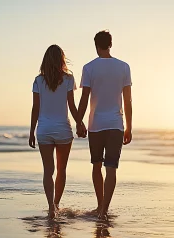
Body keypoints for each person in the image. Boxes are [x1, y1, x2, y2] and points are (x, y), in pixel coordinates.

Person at [77, 30, 133, 220]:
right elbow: (128, 101)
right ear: (111, 44)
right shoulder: (124, 67)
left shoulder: (89, 68)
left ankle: (100, 205)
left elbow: (84, 98)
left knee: (96, 166)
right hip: (116, 124)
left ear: (96, 45)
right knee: (111, 168)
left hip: (96, 124)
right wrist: (129, 127)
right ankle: (104, 210)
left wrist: (78, 121)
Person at [29, 45, 86, 219]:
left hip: (44, 130)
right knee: (61, 169)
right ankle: (56, 204)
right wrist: (80, 123)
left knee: (48, 170)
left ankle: (51, 208)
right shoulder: (68, 79)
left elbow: (36, 108)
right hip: (62, 129)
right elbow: (71, 105)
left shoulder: (38, 80)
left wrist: (31, 132)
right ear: (62, 59)